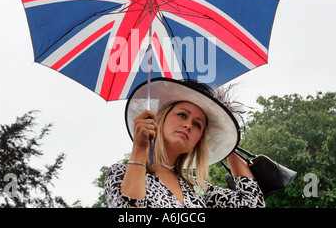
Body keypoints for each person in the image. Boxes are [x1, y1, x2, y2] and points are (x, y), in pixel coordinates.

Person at [105, 77, 265, 208]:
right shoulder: (120, 172)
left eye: (197, 125)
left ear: (199, 140)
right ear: (160, 119)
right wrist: (140, 149)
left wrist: (226, 144)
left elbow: (252, 204)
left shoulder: (197, 188)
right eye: (182, 115)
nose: (188, 125)